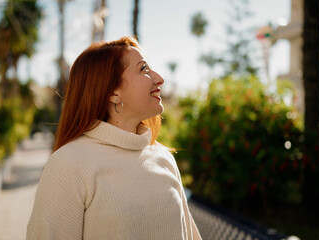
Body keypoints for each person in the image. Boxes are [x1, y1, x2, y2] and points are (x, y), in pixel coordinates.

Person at [27, 36, 202, 240]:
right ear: (112, 92)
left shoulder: (163, 157)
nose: (159, 78)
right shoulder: (68, 164)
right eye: (143, 69)